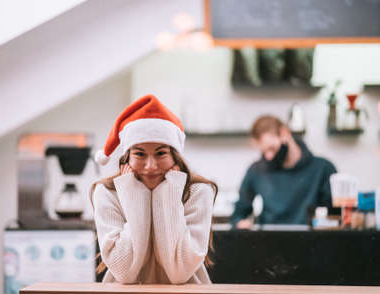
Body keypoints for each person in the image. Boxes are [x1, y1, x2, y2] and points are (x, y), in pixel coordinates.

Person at [90, 94, 218, 284]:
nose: (150, 166)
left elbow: (179, 272)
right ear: (127, 158)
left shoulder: (198, 191)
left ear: (176, 156)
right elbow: (125, 272)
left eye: (161, 153)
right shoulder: (108, 193)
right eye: (140, 154)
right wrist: (133, 195)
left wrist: (169, 195)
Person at [230, 115, 337, 229]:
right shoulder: (256, 170)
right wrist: (240, 223)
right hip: (269, 241)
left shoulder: (323, 168)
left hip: (313, 242)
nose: (268, 157)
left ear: (284, 133)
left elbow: (336, 216)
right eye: (264, 152)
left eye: (271, 148)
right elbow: (239, 214)